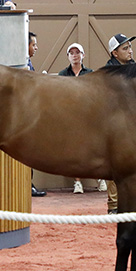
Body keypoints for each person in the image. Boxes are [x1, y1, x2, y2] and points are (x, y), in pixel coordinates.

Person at [100, 33, 136, 210]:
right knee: (113, 164)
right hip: (113, 124)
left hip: (133, 123)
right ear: (114, 53)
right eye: (125, 48)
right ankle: (113, 204)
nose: (130, 51)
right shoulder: (107, 74)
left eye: (130, 47)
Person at [56, 43, 96, 194]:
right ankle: (77, 182)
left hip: (88, 116)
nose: (75, 55)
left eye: (77, 52)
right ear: (68, 56)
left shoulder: (90, 73)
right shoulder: (62, 74)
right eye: (71, 53)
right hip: (70, 117)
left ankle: (100, 179)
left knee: (93, 148)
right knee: (74, 150)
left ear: (83, 55)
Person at [27, 32, 47, 197]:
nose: (36, 48)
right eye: (34, 45)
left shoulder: (28, 63)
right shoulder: (22, 64)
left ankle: (29, 183)